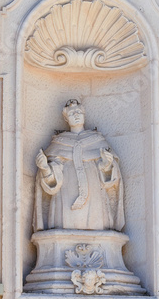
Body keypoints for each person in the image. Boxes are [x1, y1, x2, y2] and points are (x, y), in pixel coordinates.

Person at [33, 99, 125, 231]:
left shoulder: (98, 141)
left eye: (78, 112)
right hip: (66, 195)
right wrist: (45, 168)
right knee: (64, 225)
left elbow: (110, 180)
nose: (76, 115)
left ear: (84, 114)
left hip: (94, 194)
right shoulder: (58, 144)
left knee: (96, 226)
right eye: (71, 114)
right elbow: (53, 179)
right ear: (66, 119)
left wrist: (107, 165)